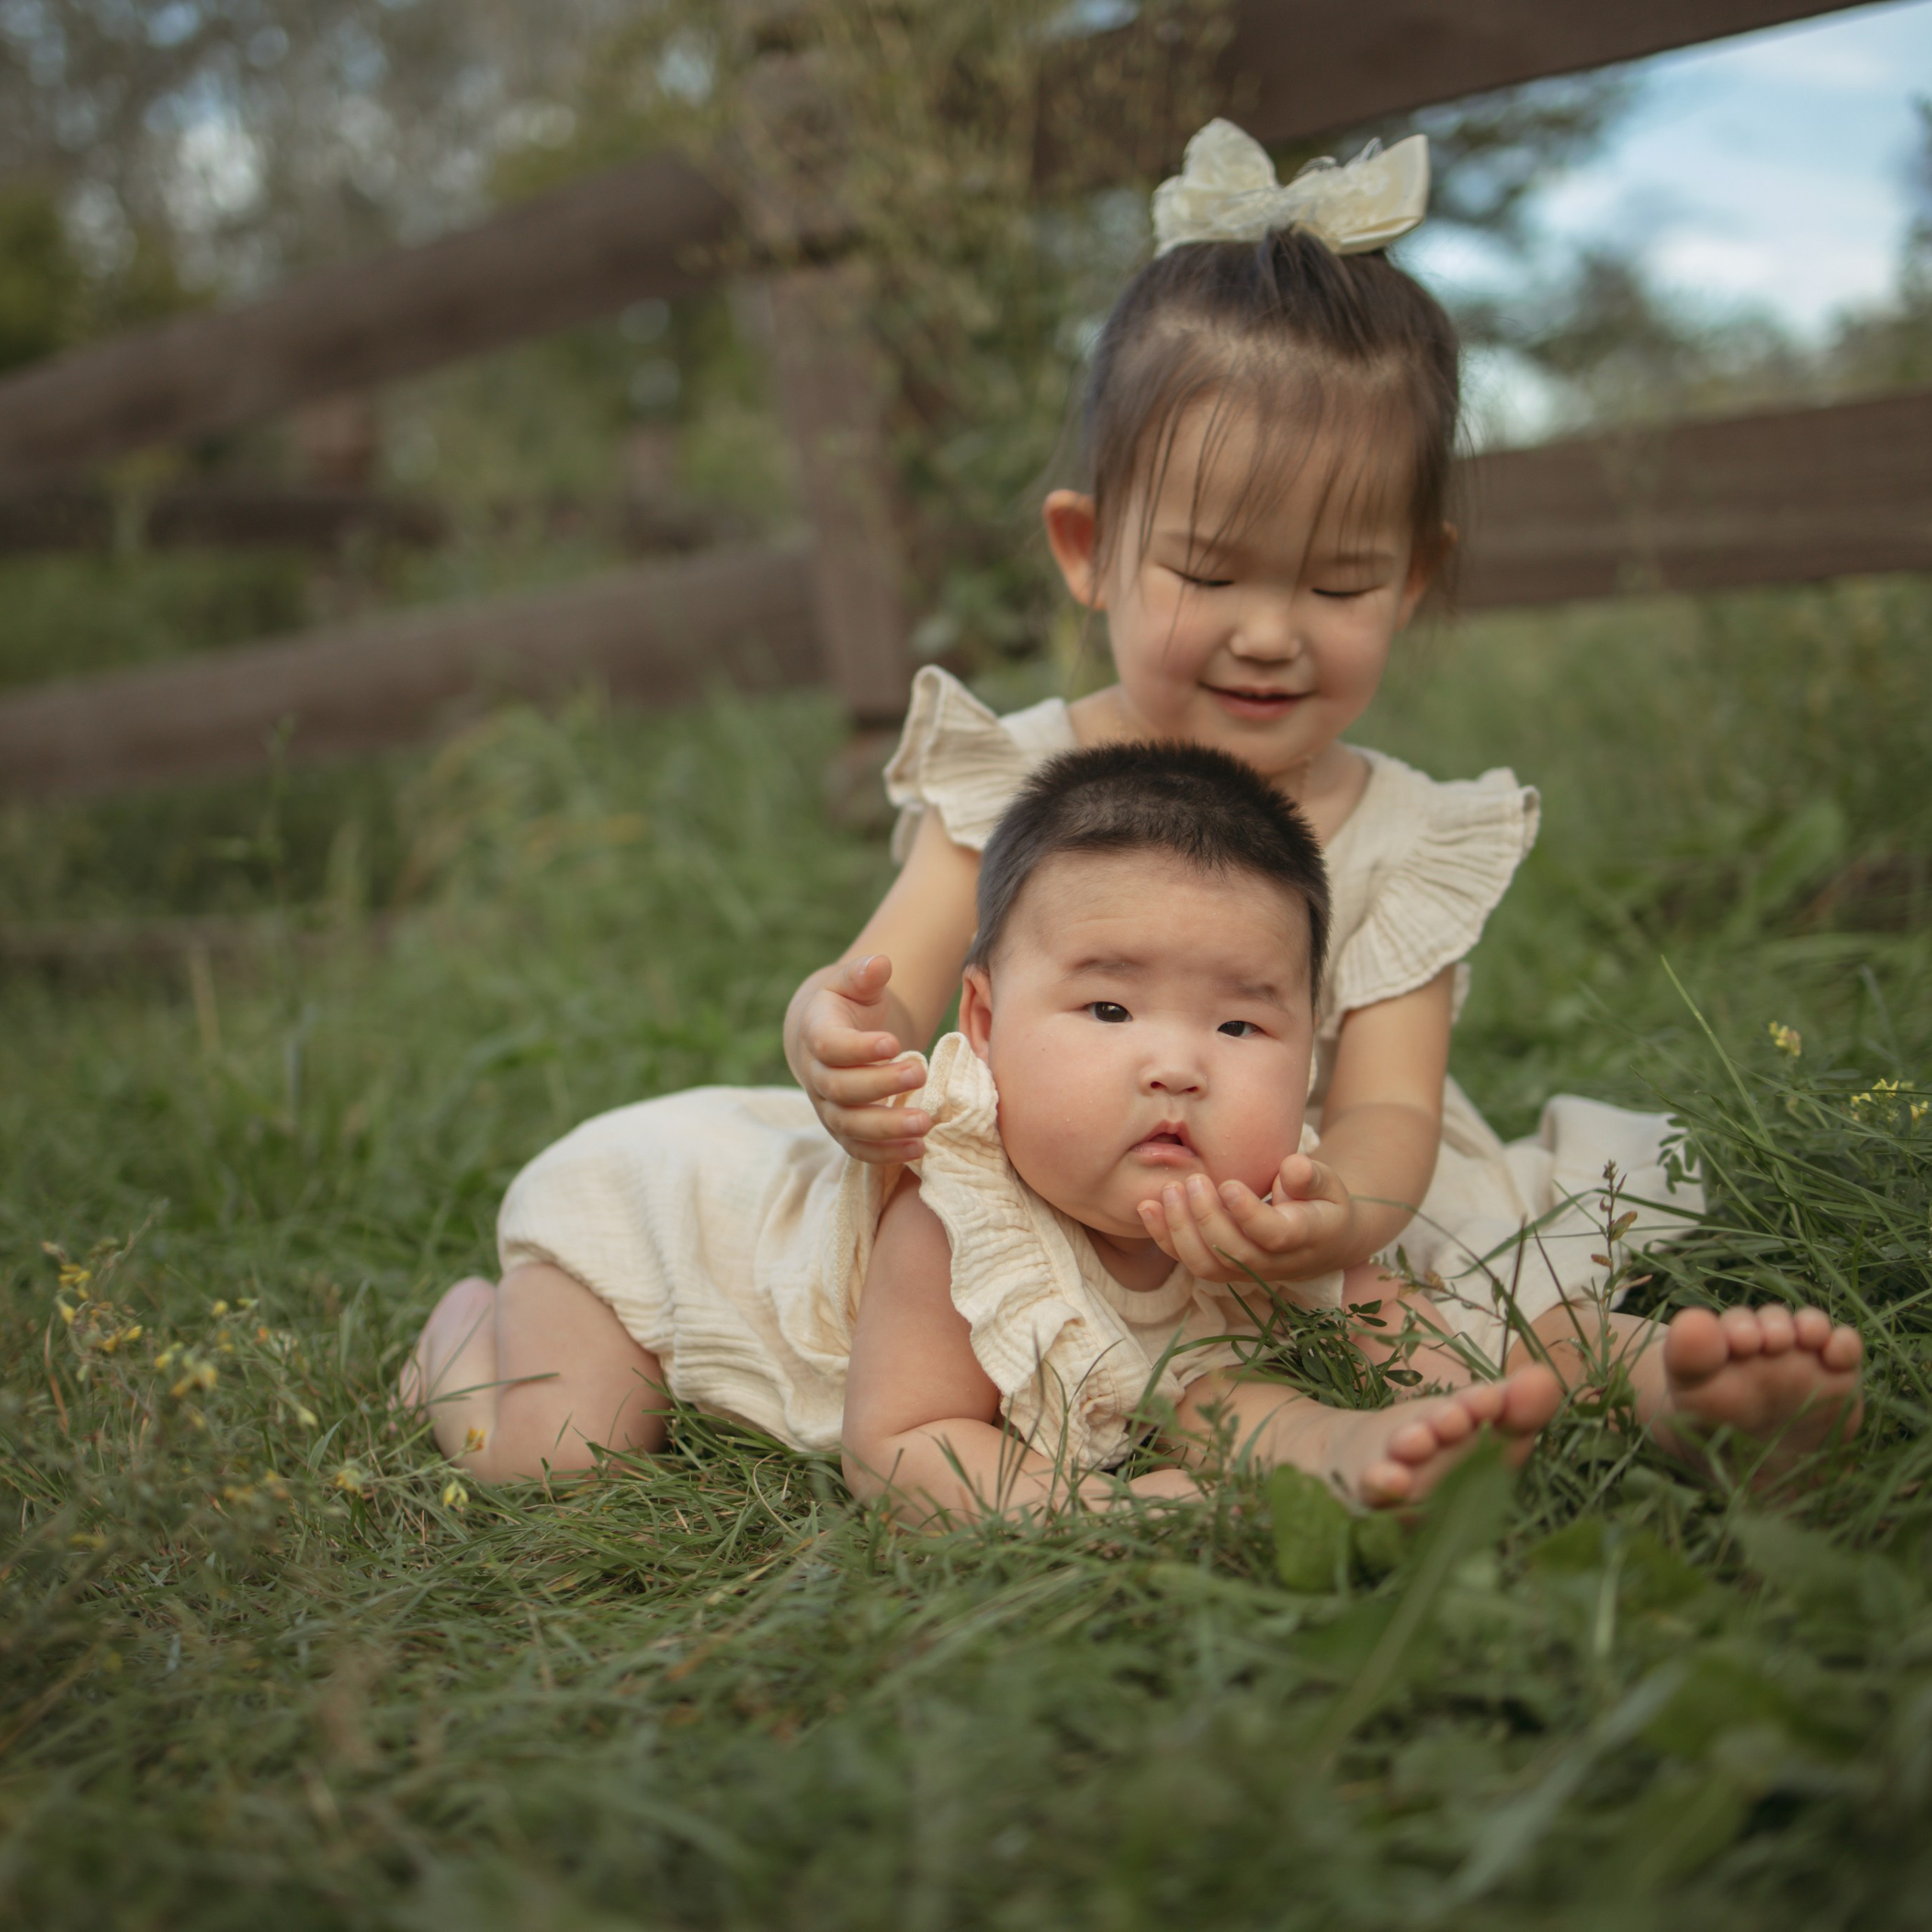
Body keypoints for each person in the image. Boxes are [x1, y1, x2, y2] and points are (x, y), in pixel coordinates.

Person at [780, 121, 1864, 1464]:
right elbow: (874, 988)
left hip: (1312, 1203)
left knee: (1445, 1301)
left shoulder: (1406, 836)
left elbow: (1391, 1108)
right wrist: (830, 1039)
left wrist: (1334, 1213)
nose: (1272, 632)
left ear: (1411, 578)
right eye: (1211, 573)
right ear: (1089, 548)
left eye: (1339, 585)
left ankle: (1665, 1391)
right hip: (1060, 1181)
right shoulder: (1014, 773)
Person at [403, 743, 1860, 1515]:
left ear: (1306, 1050)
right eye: (1106, 1015)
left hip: (1277, 1304)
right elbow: (900, 1449)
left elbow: (1382, 1329)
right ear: (977, 1027)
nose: (1178, 1066)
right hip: (656, 1234)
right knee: (565, 1459)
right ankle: (459, 1338)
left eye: (1240, 1027)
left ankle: (1668, 1392)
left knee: (1397, 1332)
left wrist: (1521, 1356)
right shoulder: (952, 1204)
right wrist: (1110, 1515)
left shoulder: (1260, 1195)